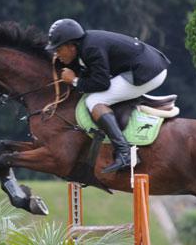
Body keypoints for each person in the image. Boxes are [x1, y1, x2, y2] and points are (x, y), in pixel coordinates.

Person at [45, 18, 170, 173]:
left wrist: (74, 80)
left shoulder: (91, 49)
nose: (56, 54)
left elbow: (102, 83)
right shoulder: (85, 45)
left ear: (71, 45)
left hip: (147, 72)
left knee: (94, 101)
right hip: (146, 64)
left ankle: (124, 153)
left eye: (58, 49)